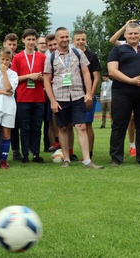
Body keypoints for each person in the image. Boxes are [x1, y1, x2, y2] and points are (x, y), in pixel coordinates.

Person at [43, 27, 103, 169]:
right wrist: (52, 100)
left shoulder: (78, 53)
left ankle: (87, 161)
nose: (65, 39)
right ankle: (66, 160)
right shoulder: (50, 57)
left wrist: (88, 93)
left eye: (66, 36)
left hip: (77, 95)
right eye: (62, 37)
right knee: (62, 128)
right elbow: (46, 79)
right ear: (56, 39)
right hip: (60, 97)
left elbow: (86, 73)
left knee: (81, 126)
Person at [107, 22, 140, 166]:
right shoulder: (118, 50)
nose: (133, 36)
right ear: (125, 35)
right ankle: (116, 158)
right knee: (119, 125)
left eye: (136, 33)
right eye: (130, 33)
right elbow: (113, 71)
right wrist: (131, 81)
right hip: (122, 93)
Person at [10, 28, 46, 163]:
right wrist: (29, 76)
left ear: (36, 41)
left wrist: (41, 78)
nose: (31, 42)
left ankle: (36, 154)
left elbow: (48, 77)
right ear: (23, 40)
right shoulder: (18, 57)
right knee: (24, 127)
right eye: (28, 39)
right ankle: (25, 154)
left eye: (33, 39)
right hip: (23, 97)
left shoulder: (42, 57)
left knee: (37, 127)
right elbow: (14, 79)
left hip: (39, 97)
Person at [72, 30, 101, 159]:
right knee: (70, 125)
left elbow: (96, 78)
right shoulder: (69, 55)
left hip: (86, 95)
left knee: (87, 124)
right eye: (77, 39)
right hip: (72, 95)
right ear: (73, 41)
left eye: (83, 39)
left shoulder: (92, 56)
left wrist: (90, 94)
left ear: (86, 40)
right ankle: (70, 153)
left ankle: (88, 154)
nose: (80, 41)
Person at [44, 34, 60, 152]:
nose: (53, 47)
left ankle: (68, 149)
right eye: (50, 45)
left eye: (55, 44)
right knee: (51, 120)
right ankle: (54, 144)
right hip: (50, 94)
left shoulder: (67, 55)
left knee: (66, 124)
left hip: (64, 93)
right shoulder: (46, 58)